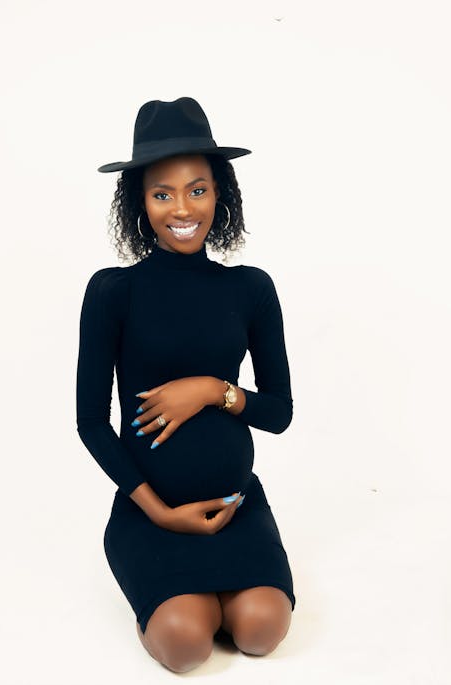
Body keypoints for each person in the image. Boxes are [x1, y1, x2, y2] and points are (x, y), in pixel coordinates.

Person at [76, 97, 296, 673]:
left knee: (261, 631)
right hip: (153, 513)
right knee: (186, 645)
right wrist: (154, 509)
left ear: (220, 193)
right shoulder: (112, 292)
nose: (182, 208)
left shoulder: (251, 288)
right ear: (139, 201)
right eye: (162, 193)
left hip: (235, 506)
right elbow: (91, 421)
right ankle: (181, 595)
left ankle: (222, 593)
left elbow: (277, 412)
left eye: (197, 189)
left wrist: (211, 389)